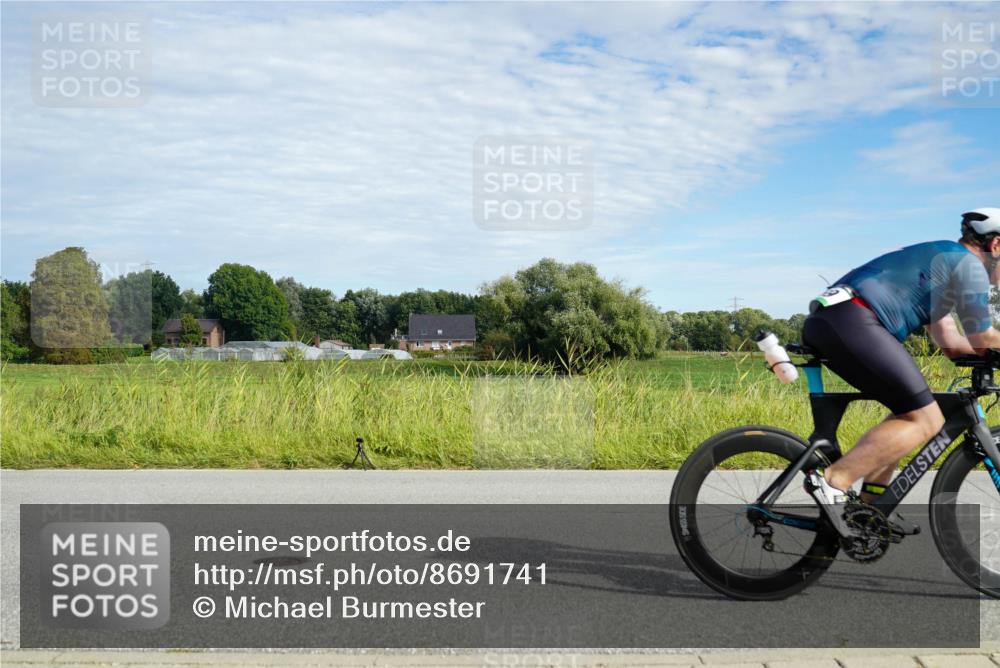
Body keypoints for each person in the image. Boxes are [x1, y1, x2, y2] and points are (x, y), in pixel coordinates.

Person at [800, 208, 1000, 531]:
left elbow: (951, 342)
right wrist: (989, 347)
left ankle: (869, 508)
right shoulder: (968, 266)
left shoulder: (944, 262)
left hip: (838, 320)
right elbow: (983, 337)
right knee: (927, 419)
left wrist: (990, 355)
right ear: (996, 246)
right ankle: (834, 481)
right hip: (853, 320)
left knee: (907, 413)